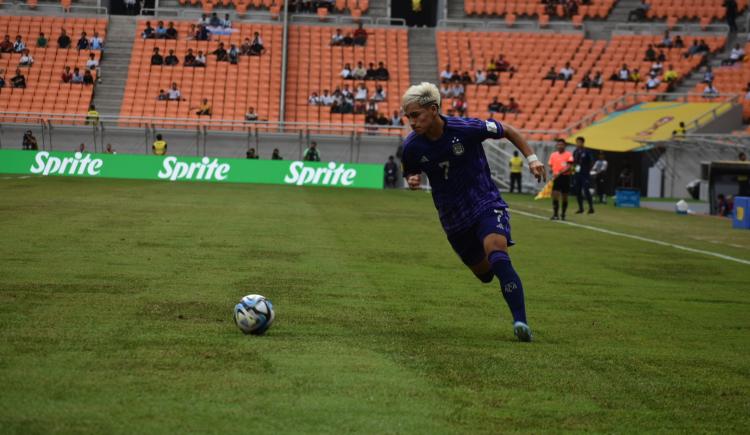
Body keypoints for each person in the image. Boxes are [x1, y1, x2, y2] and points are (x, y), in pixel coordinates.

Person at [400, 82, 545, 342]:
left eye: (415, 115)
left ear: (433, 109)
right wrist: (411, 178)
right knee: (486, 275)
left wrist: (532, 159)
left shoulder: (466, 129)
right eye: (408, 117)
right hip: (453, 218)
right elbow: (410, 168)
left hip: (485, 202)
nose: (411, 122)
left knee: (497, 251)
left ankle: (521, 322)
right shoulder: (412, 146)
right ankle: (499, 278)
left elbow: (508, 130)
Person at [548, 138, 574, 220]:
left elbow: (569, 166)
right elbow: (551, 166)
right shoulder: (553, 155)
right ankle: (555, 214)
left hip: (565, 177)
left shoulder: (568, 155)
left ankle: (563, 214)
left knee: (564, 196)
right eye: (559, 144)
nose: (560, 146)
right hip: (556, 177)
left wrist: (559, 173)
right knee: (555, 196)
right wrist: (551, 172)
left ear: (565, 146)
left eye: (562, 144)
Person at [572, 136, 595, 214]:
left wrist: (589, 170)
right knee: (577, 191)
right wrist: (573, 171)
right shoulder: (575, 151)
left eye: (579, 142)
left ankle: (591, 207)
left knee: (586, 190)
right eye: (577, 142)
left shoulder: (587, 151)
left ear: (582, 142)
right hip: (577, 173)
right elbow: (573, 162)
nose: (578, 144)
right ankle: (580, 208)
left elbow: (592, 161)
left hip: (585, 174)